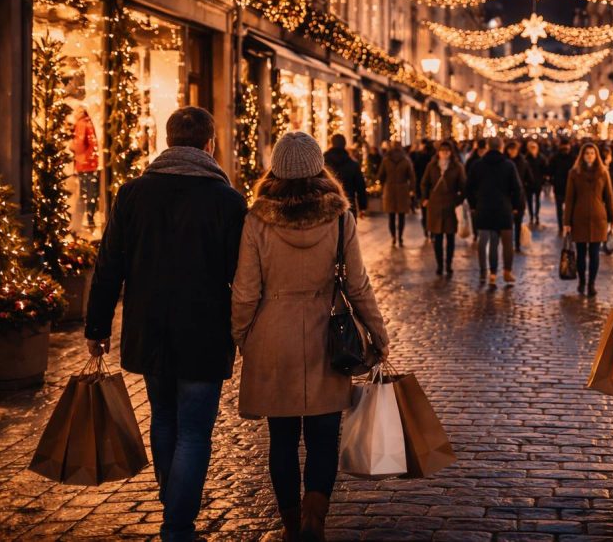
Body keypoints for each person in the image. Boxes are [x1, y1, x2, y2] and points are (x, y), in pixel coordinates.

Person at [85, 107, 247, 542]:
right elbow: (243, 276)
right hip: (204, 333)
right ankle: (178, 524)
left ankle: (171, 502)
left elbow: (109, 267)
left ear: (169, 140)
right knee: (194, 431)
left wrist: (96, 327)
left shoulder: (133, 194)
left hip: (150, 329)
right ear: (210, 144)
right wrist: (248, 331)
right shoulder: (227, 201)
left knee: (164, 419)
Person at [231, 131, 390, 542]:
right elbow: (358, 285)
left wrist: (244, 338)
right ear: (320, 167)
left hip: (272, 335)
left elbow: (245, 291)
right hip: (326, 336)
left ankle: (288, 522)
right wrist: (378, 333)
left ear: (276, 169)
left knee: (281, 437)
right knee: (323, 436)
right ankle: (313, 518)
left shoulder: (256, 219)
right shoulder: (339, 218)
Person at [466, 137, 524, 287]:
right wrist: (516, 206)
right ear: (501, 147)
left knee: (486, 241)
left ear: (488, 147)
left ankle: (488, 273)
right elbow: (517, 188)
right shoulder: (508, 165)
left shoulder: (477, 165)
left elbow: (469, 187)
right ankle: (506, 271)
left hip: (483, 207)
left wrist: (474, 204)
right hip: (504, 207)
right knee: (506, 242)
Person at [564, 144, 613, 297]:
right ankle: (581, 281)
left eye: (592, 153)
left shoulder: (603, 173)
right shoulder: (574, 173)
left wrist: (612, 217)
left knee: (594, 254)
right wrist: (566, 222)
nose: (589, 156)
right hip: (579, 218)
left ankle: (591, 283)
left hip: (598, 218)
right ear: (582, 155)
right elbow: (569, 199)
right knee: (580, 253)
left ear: (596, 155)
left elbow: (609, 197)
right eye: (587, 153)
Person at [421, 140, 467, 276]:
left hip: (450, 206)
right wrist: (425, 198)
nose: (444, 154)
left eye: (447, 151)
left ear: (451, 152)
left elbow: (464, 186)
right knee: (437, 237)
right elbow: (424, 183)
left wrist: (458, 201)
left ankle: (449, 265)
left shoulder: (457, 167)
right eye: (442, 151)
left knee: (450, 237)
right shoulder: (431, 166)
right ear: (438, 153)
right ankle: (440, 265)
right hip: (435, 206)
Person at [378, 141, 415, 246]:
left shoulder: (386, 160)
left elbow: (380, 175)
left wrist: (384, 183)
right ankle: (400, 237)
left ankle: (393, 237)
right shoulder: (406, 160)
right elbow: (411, 176)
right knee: (401, 216)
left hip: (389, 189)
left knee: (391, 216)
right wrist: (412, 189)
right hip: (402, 189)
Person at [323, 134, 367, 217]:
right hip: (348, 205)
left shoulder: (323, 163)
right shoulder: (353, 164)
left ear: (331, 143)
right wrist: (362, 207)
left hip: (327, 207)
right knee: (348, 229)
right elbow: (360, 186)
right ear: (344, 144)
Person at [72, 105, 100, 229]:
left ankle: (85, 221)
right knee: (91, 193)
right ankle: (90, 218)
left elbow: (78, 145)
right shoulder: (88, 123)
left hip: (85, 164)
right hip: (91, 164)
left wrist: (71, 145)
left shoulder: (81, 124)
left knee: (85, 194)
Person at [506, 140, 536, 251]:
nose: (512, 151)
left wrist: (524, 188)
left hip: (519, 197)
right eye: (510, 149)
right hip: (507, 197)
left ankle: (517, 244)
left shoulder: (523, 162)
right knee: (507, 224)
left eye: (514, 149)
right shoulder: (504, 162)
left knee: (517, 222)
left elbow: (530, 179)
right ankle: (509, 243)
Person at [549, 140, 577, 234]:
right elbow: (550, 171)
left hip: (570, 188)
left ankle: (569, 225)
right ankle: (562, 227)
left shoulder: (573, 158)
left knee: (570, 209)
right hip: (559, 187)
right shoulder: (555, 158)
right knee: (560, 209)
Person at [411, 140, 436, 240]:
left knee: (425, 212)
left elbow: (415, 174)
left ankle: (426, 229)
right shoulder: (434, 159)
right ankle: (433, 232)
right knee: (434, 212)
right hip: (434, 190)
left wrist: (416, 189)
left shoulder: (419, 157)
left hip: (423, 189)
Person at [524, 139, 547, 225]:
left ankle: (536, 215)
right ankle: (531, 216)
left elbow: (544, 169)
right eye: (531, 147)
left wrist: (543, 180)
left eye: (534, 147)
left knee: (537, 200)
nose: (533, 149)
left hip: (538, 182)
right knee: (529, 201)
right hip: (528, 184)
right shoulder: (526, 158)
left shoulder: (541, 158)